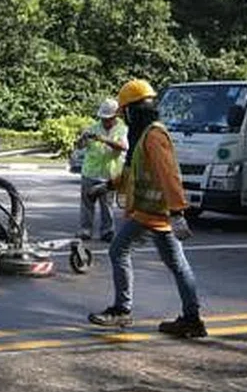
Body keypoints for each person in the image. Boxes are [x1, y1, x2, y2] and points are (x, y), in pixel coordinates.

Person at [88, 79, 207, 338]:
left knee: (118, 250)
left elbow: (169, 175)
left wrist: (178, 212)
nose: (125, 118)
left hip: (153, 214)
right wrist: (107, 186)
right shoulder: (142, 135)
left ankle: (122, 310)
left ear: (133, 110)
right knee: (178, 264)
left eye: (125, 112)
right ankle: (192, 319)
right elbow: (131, 173)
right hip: (152, 214)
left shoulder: (153, 135)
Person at [75, 98, 127, 242]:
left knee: (107, 206)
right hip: (90, 173)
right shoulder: (93, 128)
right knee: (87, 205)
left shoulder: (122, 129)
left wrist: (103, 139)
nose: (105, 121)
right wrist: (82, 139)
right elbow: (79, 147)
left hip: (108, 175)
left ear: (115, 117)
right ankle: (85, 230)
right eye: (103, 118)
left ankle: (107, 231)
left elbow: (123, 147)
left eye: (108, 118)